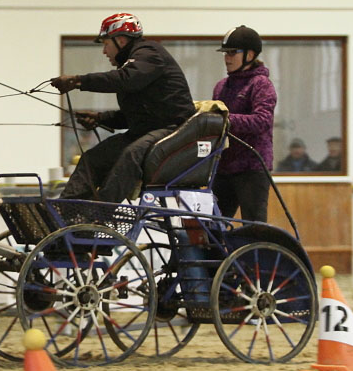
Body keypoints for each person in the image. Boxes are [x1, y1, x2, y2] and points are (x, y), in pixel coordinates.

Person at [50, 13, 195, 202]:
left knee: (130, 155)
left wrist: (78, 81)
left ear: (120, 40)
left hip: (173, 131)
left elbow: (126, 80)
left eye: (106, 44)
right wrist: (100, 118)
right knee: (92, 159)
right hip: (149, 131)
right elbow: (137, 115)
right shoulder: (133, 63)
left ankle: (99, 214)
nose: (104, 51)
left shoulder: (150, 53)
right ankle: (66, 214)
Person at [210, 25, 277, 222]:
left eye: (232, 53)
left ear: (250, 54)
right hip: (223, 166)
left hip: (252, 167)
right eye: (225, 53)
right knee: (212, 226)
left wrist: (224, 119)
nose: (227, 58)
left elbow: (262, 121)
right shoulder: (221, 86)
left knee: (253, 224)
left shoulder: (261, 84)